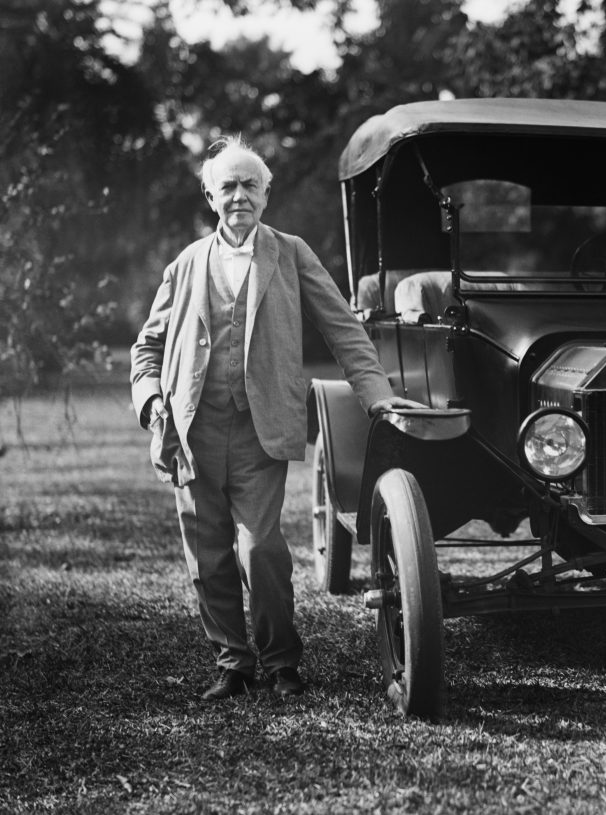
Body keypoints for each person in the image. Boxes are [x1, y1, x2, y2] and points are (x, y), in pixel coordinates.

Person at [130, 136, 419, 701]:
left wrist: (376, 394)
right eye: (228, 187)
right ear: (211, 197)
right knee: (206, 555)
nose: (239, 196)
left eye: (250, 186)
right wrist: (151, 402)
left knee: (259, 547)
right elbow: (147, 347)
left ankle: (283, 662)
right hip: (191, 430)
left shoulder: (290, 253)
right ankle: (232, 663)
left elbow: (342, 328)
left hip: (262, 428)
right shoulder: (186, 263)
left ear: (266, 193)